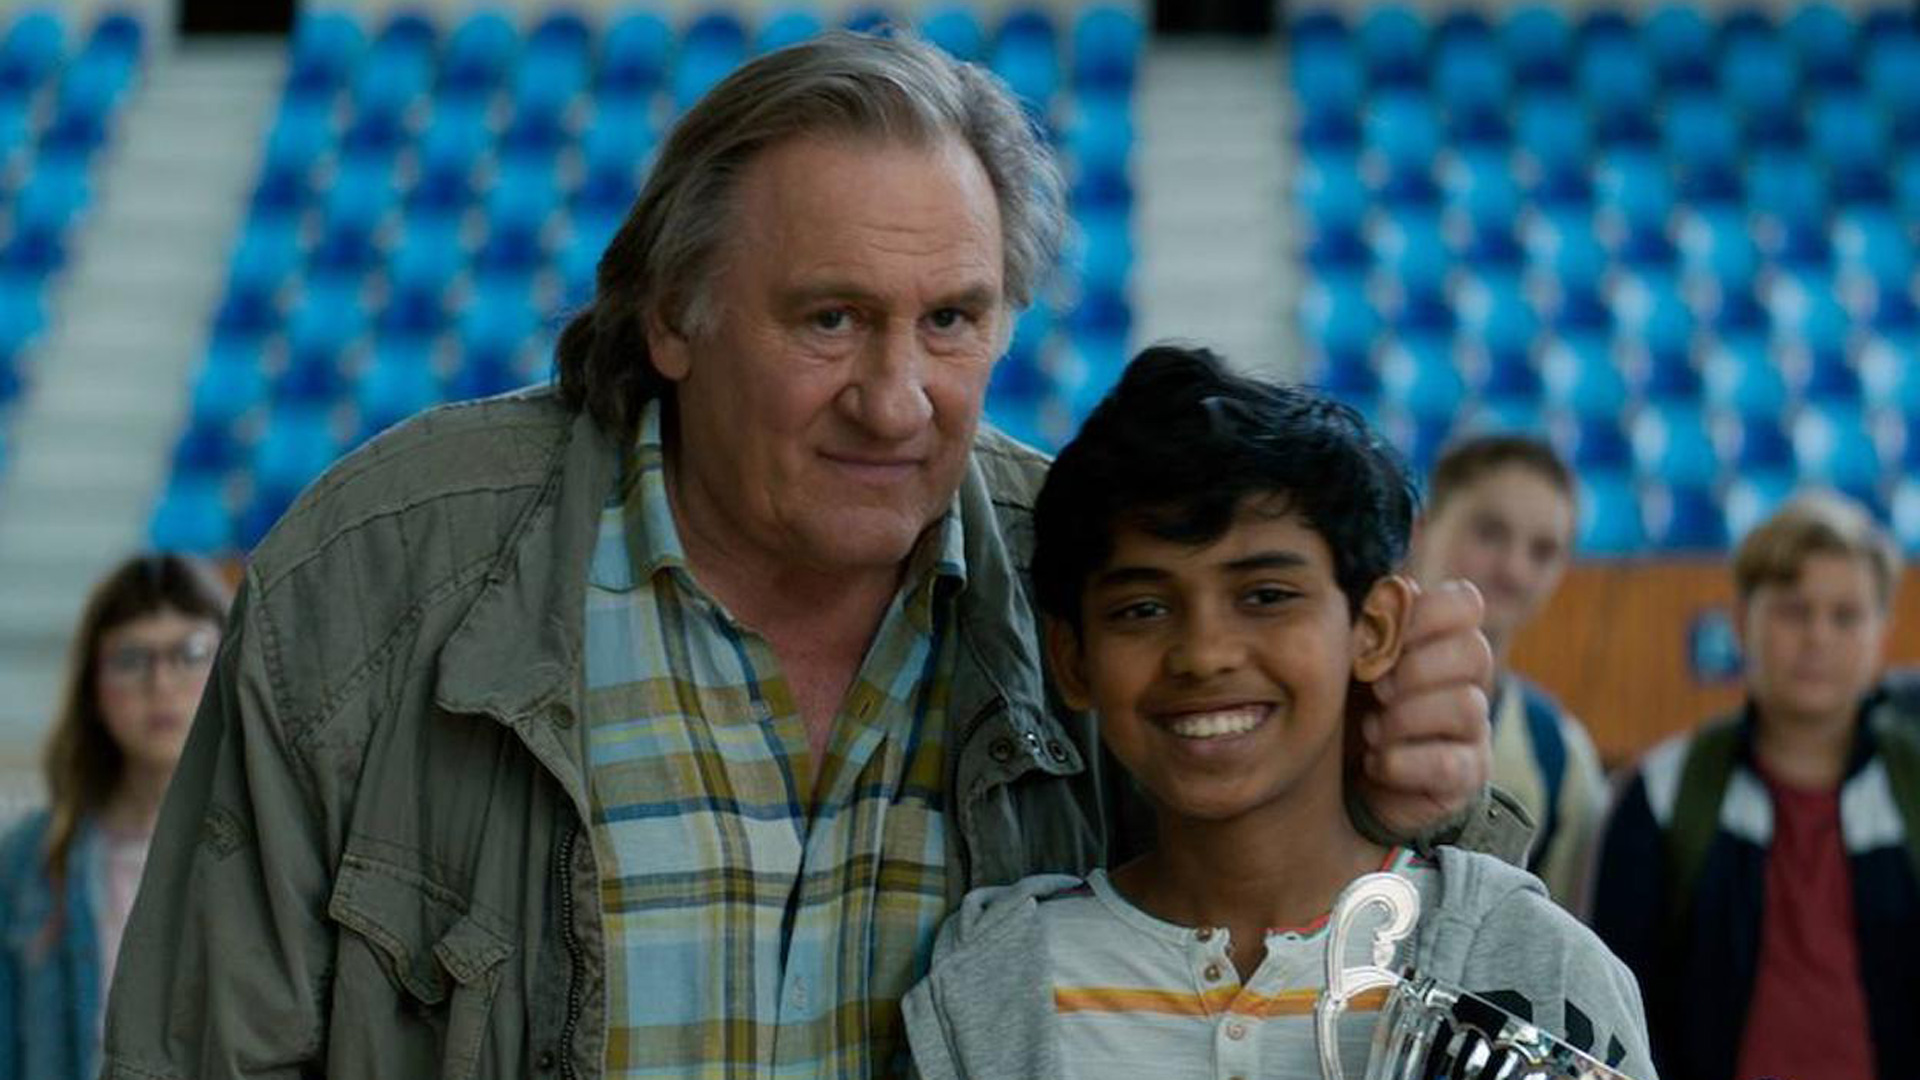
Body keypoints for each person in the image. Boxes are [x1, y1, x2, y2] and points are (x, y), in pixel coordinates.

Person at [102, 33, 1518, 1080]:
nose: (896, 402)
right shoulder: (377, 577)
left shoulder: (1101, 586)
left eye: (952, 322)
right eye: (830, 321)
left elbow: (1344, 970)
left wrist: (1413, 799)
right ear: (674, 316)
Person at [902, 347, 1652, 1080]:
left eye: (1266, 596)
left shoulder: (1536, 966)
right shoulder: (996, 985)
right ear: (1072, 660)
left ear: (1375, 629)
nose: (1204, 653)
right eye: (1142, 608)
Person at [1590, 491, 1920, 1080]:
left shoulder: (1911, 784)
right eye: (1793, 610)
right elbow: (1613, 1011)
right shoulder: (1663, 793)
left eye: (1845, 615)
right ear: (1742, 622)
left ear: (1882, 634)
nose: (1817, 636)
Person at [0, 554, 228, 1080]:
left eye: (191, 654)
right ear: (93, 686)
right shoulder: (28, 861)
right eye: (130, 658)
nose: (161, 683)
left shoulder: (275, 849)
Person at [1408, 435, 1609, 911]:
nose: (1514, 569)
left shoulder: (1562, 758)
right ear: (1421, 529)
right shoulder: (1331, 701)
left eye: (1543, 551)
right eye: (1489, 533)